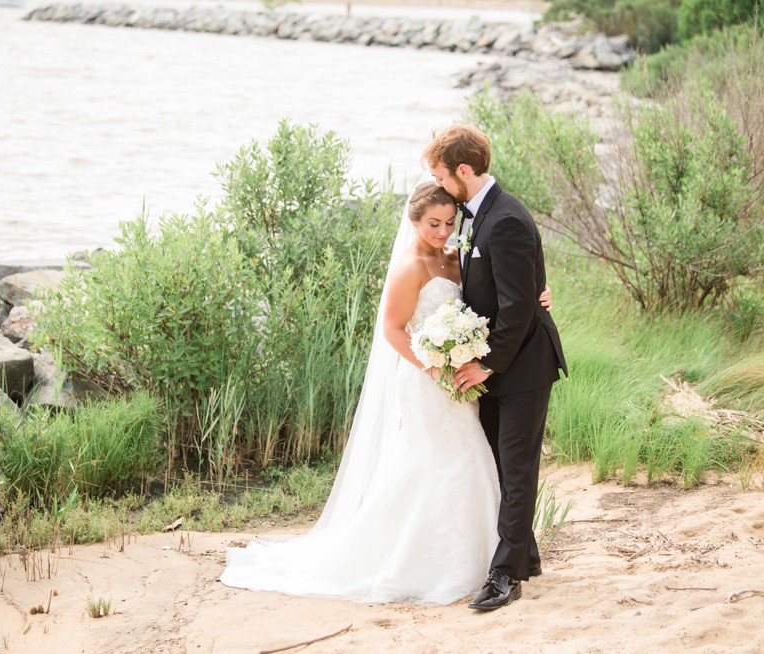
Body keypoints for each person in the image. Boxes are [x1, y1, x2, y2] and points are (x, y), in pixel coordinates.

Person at [220, 183, 553, 605]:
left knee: (473, 459)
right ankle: (424, 560)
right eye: (433, 223)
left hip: (461, 380)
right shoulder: (408, 267)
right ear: (414, 221)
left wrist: (540, 293)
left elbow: (503, 284)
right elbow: (393, 330)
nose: (442, 231)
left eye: (450, 223)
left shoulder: (457, 258)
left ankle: (497, 556)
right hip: (425, 380)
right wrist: (432, 364)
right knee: (433, 463)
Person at [424, 123, 567, 611]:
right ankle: (524, 553)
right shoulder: (471, 215)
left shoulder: (505, 218)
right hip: (496, 362)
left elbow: (519, 306)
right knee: (502, 468)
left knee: (517, 468)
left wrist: (486, 365)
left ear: (464, 170)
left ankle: (505, 576)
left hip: (522, 365)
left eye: (443, 176)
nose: (440, 186)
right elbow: (501, 286)